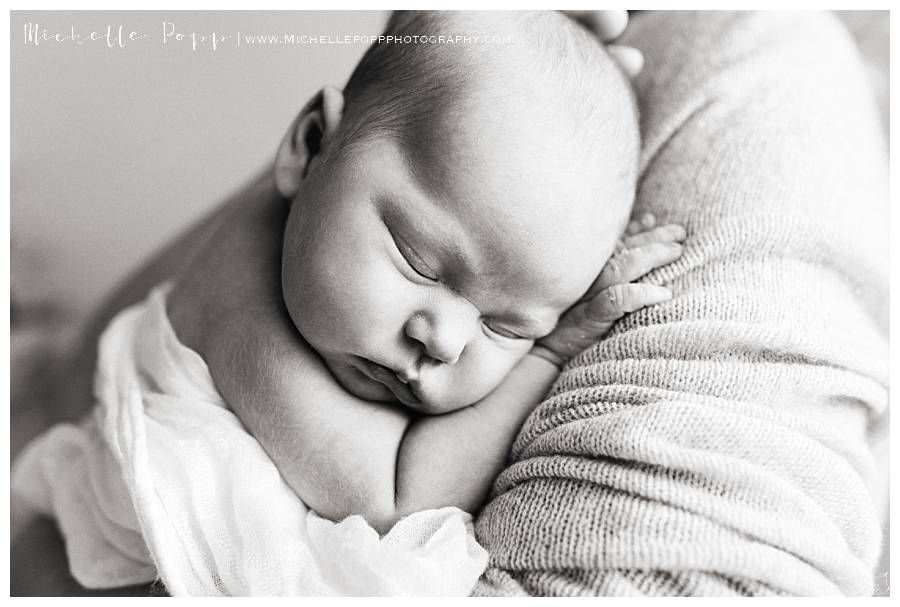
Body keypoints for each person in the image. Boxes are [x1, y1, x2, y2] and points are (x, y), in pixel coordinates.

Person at [13, 10, 683, 595]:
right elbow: (394, 499)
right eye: (418, 259)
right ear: (308, 146)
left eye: (508, 326)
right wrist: (547, 353)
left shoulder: (322, 257)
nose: (445, 340)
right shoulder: (235, 303)